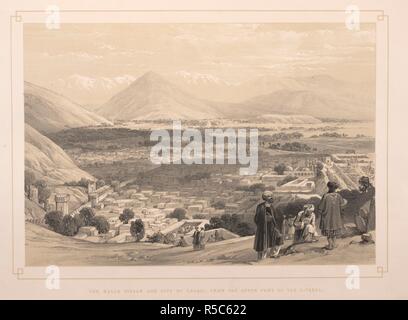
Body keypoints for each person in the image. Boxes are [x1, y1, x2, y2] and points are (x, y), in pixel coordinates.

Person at [253, 191, 283, 260]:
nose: (272, 198)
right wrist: (265, 219)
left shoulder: (272, 207)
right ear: (266, 198)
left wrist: (273, 219)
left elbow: (276, 217)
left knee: (278, 239)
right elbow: (256, 218)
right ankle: (261, 259)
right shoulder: (260, 207)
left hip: (272, 227)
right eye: (270, 197)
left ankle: (273, 254)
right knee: (263, 244)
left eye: (271, 196)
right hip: (263, 228)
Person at [317, 181, 347, 250]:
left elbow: (321, 207)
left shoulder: (325, 196)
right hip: (336, 217)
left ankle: (330, 245)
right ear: (335, 188)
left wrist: (320, 212)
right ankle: (333, 244)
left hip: (327, 217)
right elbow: (342, 205)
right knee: (334, 232)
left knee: (329, 232)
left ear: (329, 187)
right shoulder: (338, 196)